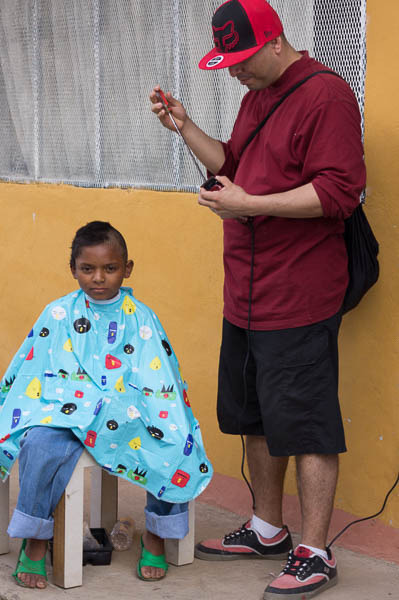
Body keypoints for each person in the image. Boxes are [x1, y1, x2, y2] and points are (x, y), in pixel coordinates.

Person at [150, 0, 366, 598]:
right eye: (226, 63)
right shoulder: (256, 97)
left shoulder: (326, 97)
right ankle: (268, 528)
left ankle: (316, 551)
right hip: (246, 286)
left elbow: (339, 193)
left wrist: (250, 205)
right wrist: (186, 127)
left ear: (275, 42)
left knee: (305, 423)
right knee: (256, 414)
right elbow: (237, 166)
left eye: (241, 61)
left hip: (299, 290)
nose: (233, 73)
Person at [0, 221, 212, 588]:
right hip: (64, 411)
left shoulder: (141, 318)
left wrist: (121, 405)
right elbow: (31, 371)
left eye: (110, 269)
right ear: (73, 270)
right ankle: (35, 540)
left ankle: (157, 534)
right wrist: (78, 404)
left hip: (129, 414)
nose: (98, 278)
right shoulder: (58, 313)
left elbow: (159, 380)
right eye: (87, 269)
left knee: (175, 441)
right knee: (39, 443)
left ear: (126, 269)